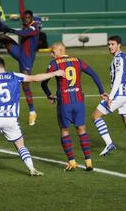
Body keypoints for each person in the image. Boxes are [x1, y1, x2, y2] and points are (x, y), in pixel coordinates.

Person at [41, 42, 105, 171]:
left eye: (52, 52)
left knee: (65, 131)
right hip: (79, 101)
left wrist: (49, 94)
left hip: (64, 103)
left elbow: (44, 83)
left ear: (59, 51)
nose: (51, 55)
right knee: (82, 130)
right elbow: (94, 74)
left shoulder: (54, 64)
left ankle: (72, 161)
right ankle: (88, 162)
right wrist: (101, 91)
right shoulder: (78, 61)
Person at [0, 0, 41, 125]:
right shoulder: (25, 21)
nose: (26, 19)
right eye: (25, 18)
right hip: (19, 51)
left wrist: (11, 29)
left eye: (28, 18)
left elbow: (24, 33)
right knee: (3, 37)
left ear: (32, 19)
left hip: (27, 58)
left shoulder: (34, 28)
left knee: (25, 85)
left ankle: (32, 111)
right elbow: (22, 12)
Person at [92, 35, 126, 156]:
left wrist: (111, 97)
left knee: (96, 116)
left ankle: (109, 143)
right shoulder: (124, 57)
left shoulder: (118, 59)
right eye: (109, 44)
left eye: (112, 44)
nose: (110, 47)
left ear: (119, 45)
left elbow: (119, 78)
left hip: (119, 94)